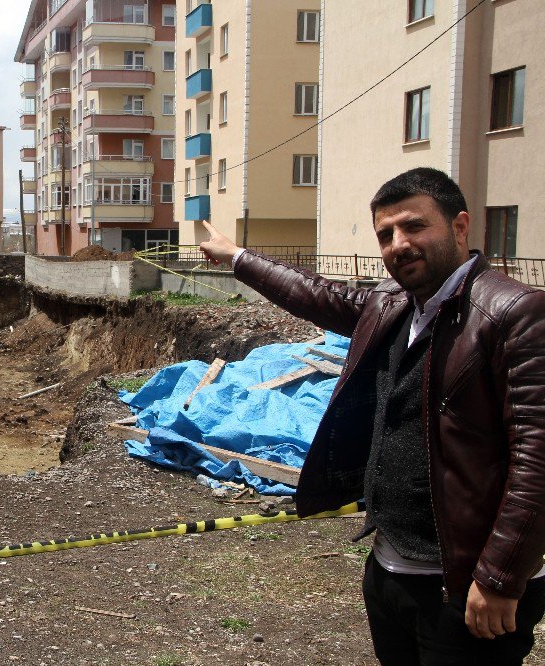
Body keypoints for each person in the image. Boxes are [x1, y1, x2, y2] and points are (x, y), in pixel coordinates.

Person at [198, 168, 545, 665]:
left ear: (460, 226)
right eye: (386, 234)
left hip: (465, 584)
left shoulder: (514, 314)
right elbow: (317, 293)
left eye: (414, 226)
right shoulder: (394, 304)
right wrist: (239, 259)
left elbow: (537, 460)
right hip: (391, 568)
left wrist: (500, 578)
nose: (399, 244)